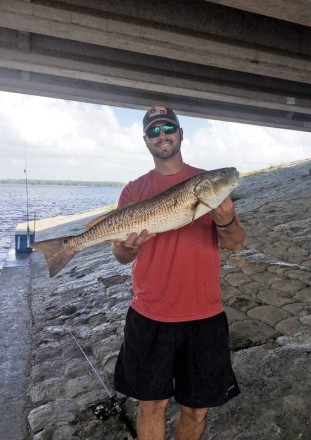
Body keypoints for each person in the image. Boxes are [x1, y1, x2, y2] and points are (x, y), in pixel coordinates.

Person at [112, 105, 246, 440]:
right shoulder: (133, 190)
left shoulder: (207, 184)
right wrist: (128, 247)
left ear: (181, 133)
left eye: (168, 127)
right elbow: (120, 254)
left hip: (204, 313)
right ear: (146, 140)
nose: (162, 135)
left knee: (197, 410)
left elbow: (236, 243)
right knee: (151, 404)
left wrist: (225, 218)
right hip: (150, 312)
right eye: (154, 131)